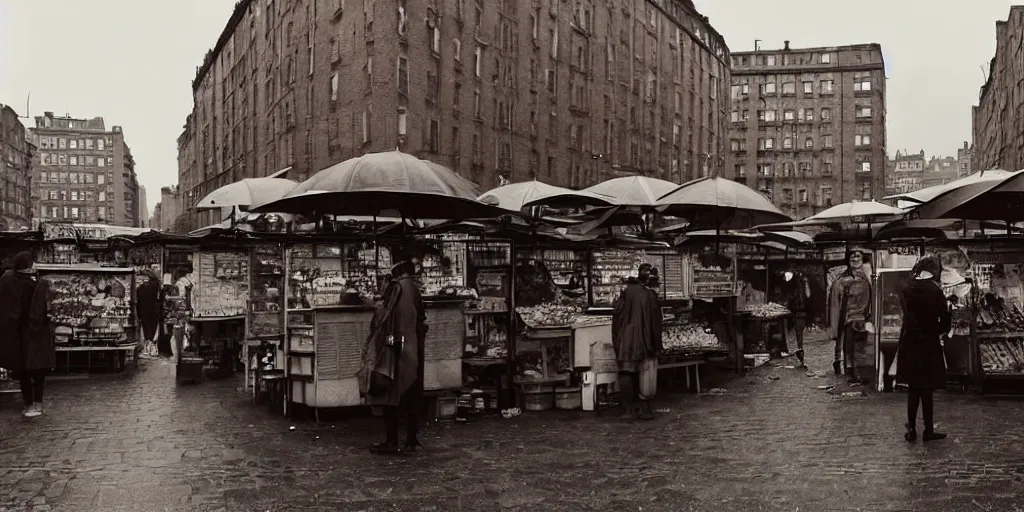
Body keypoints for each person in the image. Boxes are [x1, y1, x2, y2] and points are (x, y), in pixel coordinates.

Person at [359, 254, 428, 454]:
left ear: (397, 272)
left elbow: (386, 321)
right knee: (412, 395)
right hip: (413, 349)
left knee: (389, 394)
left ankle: (391, 441)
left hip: (395, 348)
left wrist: (386, 346)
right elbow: (421, 320)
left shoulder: (396, 289)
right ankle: (412, 440)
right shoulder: (415, 290)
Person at [897, 256, 950, 442]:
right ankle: (928, 430)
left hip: (909, 343)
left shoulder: (907, 289)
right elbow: (944, 320)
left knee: (913, 389)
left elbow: (905, 314)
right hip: (928, 344)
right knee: (927, 390)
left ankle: (911, 429)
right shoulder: (935, 291)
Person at [0, 252, 46, 417]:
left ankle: (28, 404)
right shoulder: (30, 285)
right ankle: (37, 403)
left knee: (23, 370)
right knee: (37, 368)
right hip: (31, 331)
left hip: (14, 332)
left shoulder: (6, 279)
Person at [612, 263, 661, 419]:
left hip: (625, 340)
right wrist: (656, 345)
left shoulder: (626, 292)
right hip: (643, 339)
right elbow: (655, 323)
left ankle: (628, 410)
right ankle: (645, 409)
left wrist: (618, 339)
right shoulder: (649, 295)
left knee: (626, 371)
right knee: (646, 373)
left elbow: (617, 315)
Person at [828, 251, 872, 382]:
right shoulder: (842, 281)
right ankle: (850, 370)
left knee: (863, 347)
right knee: (849, 347)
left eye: (858, 256)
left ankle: (860, 370)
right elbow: (835, 305)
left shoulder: (869, 277)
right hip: (849, 319)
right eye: (853, 256)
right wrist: (834, 327)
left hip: (865, 318)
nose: (855, 259)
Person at [784, 269, 810, 368]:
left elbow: (807, 295)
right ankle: (799, 356)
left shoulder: (801, 286)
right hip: (794, 313)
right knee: (796, 337)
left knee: (799, 336)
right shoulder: (792, 287)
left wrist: (806, 282)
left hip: (799, 312)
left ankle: (800, 356)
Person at [136, 270, 162, 357]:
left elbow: (138, 302)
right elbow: (159, 300)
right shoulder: (156, 287)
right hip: (154, 311)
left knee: (146, 329)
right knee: (153, 330)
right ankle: (153, 349)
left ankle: (147, 349)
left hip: (144, 311)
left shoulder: (140, 288)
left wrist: (138, 314)